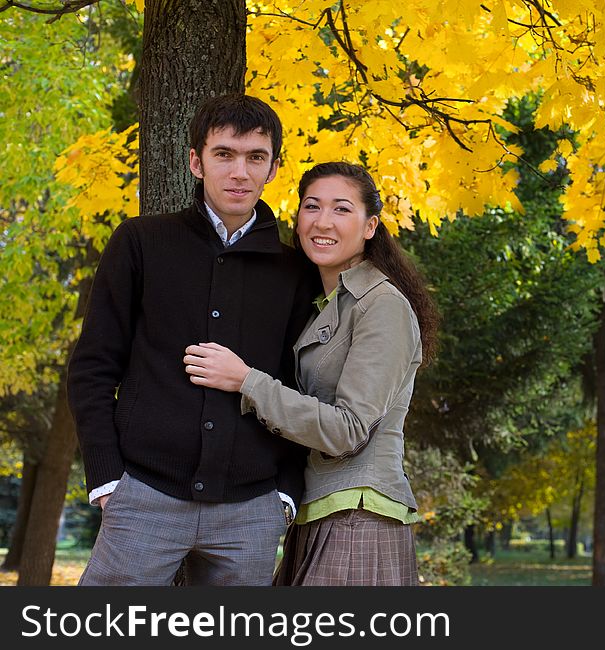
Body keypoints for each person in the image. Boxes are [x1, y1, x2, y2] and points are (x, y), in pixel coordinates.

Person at [67, 93, 319, 585]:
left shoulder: (295, 270)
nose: (239, 172)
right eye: (224, 154)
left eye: (255, 157)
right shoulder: (140, 242)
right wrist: (106, 479)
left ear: (273, 168)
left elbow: (301, 386)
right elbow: (94, 366)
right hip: (142, 495)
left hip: (252, 508)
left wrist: (284, 495)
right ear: (196, 162)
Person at [182, 161, 439, 586]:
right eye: (311, 206)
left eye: (341, 209)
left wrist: (245, 380)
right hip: (317, 510)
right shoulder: (327, 303)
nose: (323, 222)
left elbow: (348, 430)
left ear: (370, 226)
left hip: (359, 514)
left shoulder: (382, 305)